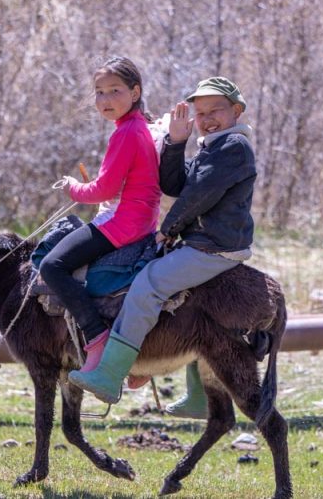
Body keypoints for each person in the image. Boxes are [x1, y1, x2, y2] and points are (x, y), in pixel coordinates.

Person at [68, 76, 256, 413]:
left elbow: (200, 194)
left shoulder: (232, 148)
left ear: (237, 111)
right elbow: (176, 185)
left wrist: (169, 229)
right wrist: (175, 143)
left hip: (215, 247)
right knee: (173, 293)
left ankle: (111, 374)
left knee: (149, 284)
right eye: (201, 113)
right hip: (207, 242)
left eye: (217, 110)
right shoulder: (213, 145)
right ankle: (194, 394)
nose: (208, 118)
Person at [39, 56, 162, 372]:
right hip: (141, 221)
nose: (105, 99)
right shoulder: (137, 127)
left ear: (135, 93)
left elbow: (104, 191)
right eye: (99, 92)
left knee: (53, 266)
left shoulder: (125, 133)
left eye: (114, 90)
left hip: (122, 223)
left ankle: (96, 337)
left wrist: (72, 188)